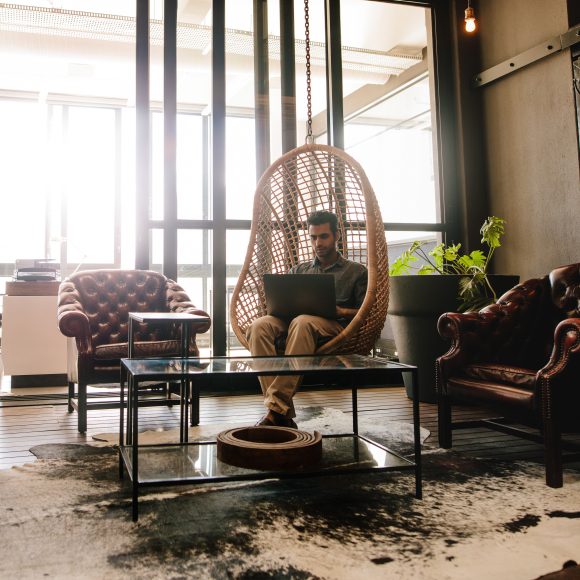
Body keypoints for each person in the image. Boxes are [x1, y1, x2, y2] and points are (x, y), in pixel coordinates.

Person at [246, 210, 368, 428]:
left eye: (323, 236)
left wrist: (341, 311)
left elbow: (364, 313)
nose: (317, 243)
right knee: (259, 326)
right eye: (313, 237)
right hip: (291, 320)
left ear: (336, 236)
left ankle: (275, 409)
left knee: (303, 321)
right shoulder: (300, 269)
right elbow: (282, 302)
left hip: (333, 328)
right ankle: (280, 410)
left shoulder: (356, 272)